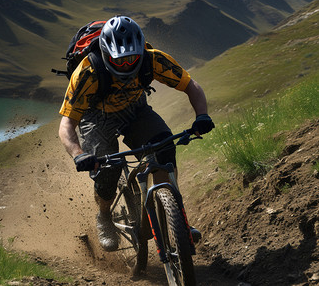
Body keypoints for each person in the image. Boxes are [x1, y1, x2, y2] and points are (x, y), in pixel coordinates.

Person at [58, 15, 214, 251]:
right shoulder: (87, 72)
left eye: (133, 58)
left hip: (135, 109)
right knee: (106, 173)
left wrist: (201, 115)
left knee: (164, 149)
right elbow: (67, 124)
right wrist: (78, 153)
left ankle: (177, 221)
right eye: (119, 60)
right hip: (96, 117)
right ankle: (104, 216)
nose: (127, 64)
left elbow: (190, 85)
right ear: (107, 53)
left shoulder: (152, 59)